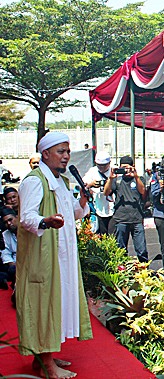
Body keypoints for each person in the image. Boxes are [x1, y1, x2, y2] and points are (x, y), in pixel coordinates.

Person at [17, 132, 92, 379]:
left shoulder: (61, 181)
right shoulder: (34, 181)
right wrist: (45, 221)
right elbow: (26, 217)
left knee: (58, 303)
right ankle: (48, 366)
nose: (66, 157)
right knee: (44, 304)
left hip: (62, 254)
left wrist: (82, 201)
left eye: (67, 152)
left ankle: (44, 356)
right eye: (61, 152)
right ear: (45, 154)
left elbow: (74, 214)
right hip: (44, 255)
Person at [104, 156, 148, 262]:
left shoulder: (139, 178)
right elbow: (106, 192)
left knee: (141, 249)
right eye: (122, 167)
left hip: (136, 219)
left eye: (127, 167)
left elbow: (143, 192)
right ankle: (122, 270)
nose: (125, 170)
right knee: (121, 249)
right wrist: (111, 178)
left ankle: (144, 271)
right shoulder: (117, 180)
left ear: (132, 167)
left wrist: (136, 176)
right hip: (121, 219)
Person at [81, 151, 114, 235]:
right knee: (102, 235)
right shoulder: (92, 171)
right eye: (99, 166)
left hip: (114, 208)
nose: (102, 168)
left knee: (113, 235)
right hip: (99, 208)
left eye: (104, 165)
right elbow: (83, 184)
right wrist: (91, 184)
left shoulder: (114, 171)